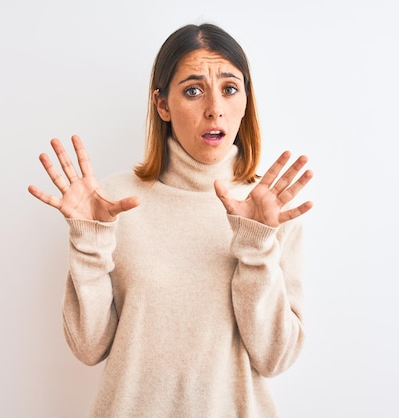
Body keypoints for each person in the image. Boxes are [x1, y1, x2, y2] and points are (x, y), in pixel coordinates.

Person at [28, 22, 313, 418]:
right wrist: (88, 243)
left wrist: (257, 244)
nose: (214, 108)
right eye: (193, 90)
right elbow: (88, 347)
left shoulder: (268, 207)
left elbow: (275, 358)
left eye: (229, 88)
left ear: (246, 99)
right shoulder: (113, 201)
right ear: (162, 105)